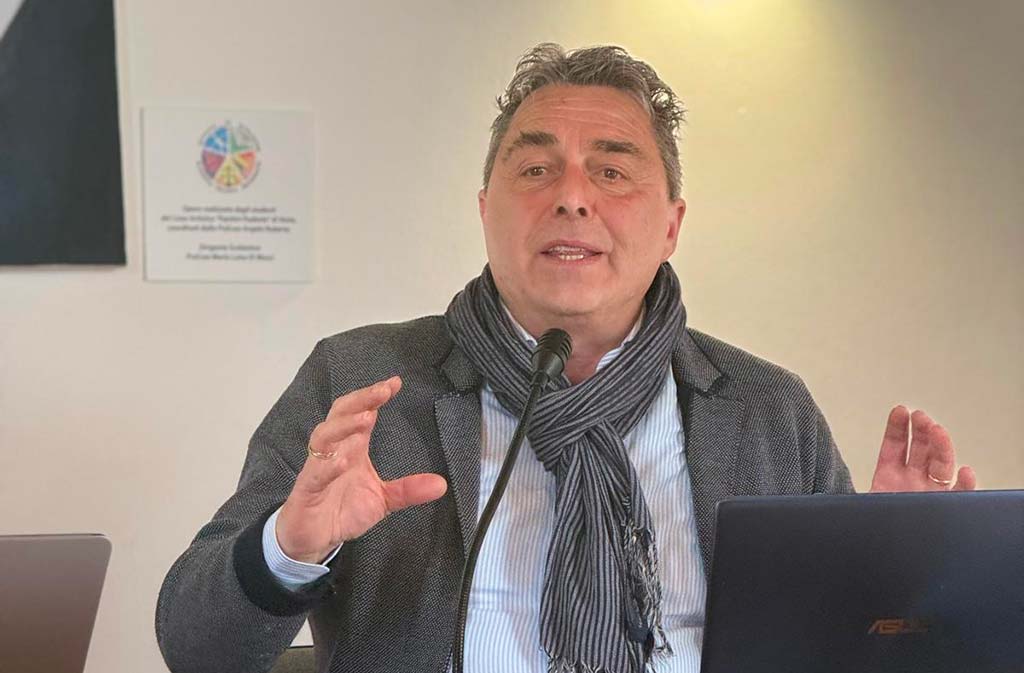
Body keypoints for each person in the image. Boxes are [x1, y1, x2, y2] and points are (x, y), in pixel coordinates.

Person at [155, 43, 976, 673]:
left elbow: (845, 648)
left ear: (671, 225)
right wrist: (289, 549)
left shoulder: (767, 409)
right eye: (536, 167)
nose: (572, 196)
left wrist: (890, 578)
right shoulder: (362, 382)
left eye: (612, 170)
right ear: (486, 211)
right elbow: (195, 646)